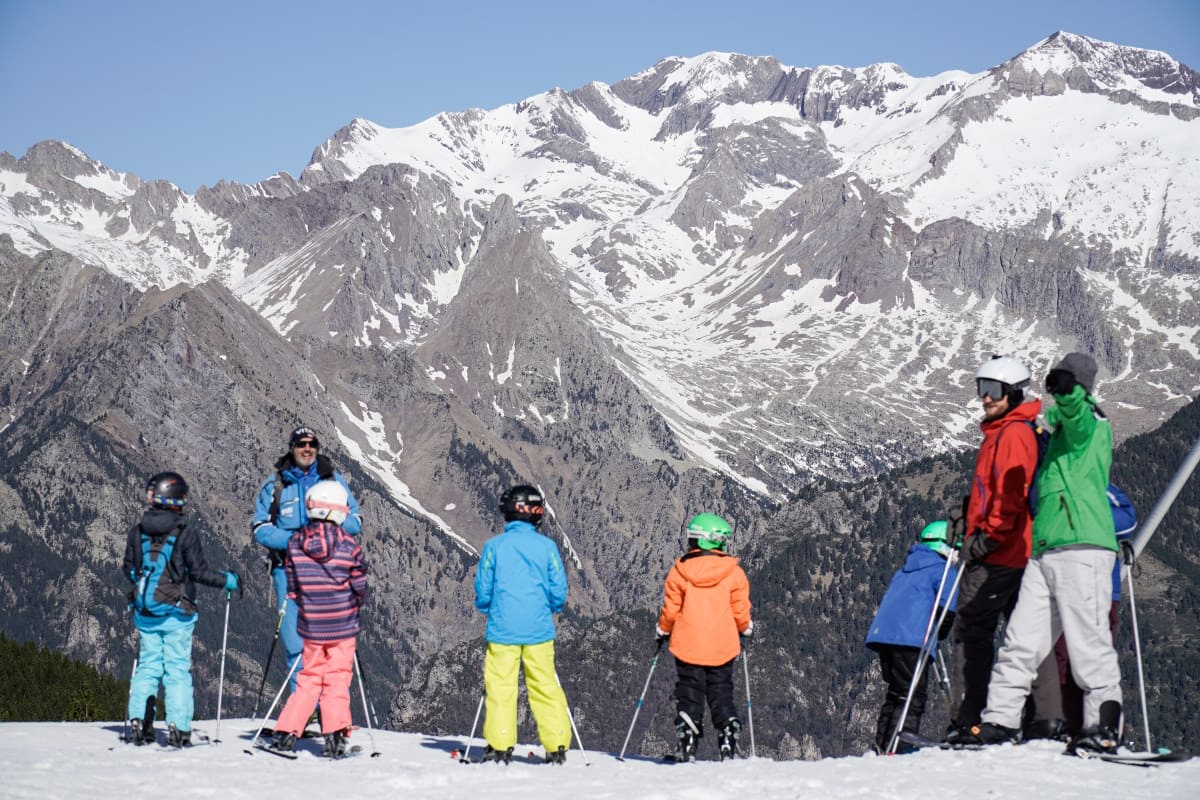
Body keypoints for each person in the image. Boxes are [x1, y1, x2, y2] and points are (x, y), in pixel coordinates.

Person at [970, 353, 1124, 754]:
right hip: (1046, 548)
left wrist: (1068, 390)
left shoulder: (1089, 423)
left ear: (1080, 386)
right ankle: (999, 721)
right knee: (1021, 641)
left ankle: (1103, 727)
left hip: (1083, 546)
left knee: (1088, 643)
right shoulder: (1053, 432)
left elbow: (1073, 414)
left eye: (1067, 383)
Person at [946, 356, 1041, 744]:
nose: (985, 397)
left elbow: (1011, 495)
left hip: (1000, 555)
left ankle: (972, 718)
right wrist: (968, 510)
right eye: (981, 387)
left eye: (994, 390)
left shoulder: (1014, 434)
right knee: (1018, 634)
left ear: (1014, 392)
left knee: (971, 630)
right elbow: (991, 491)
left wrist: (988, 539)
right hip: (1006, 550)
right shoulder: (1000, 431)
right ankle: (1026, 720)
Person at [124, 471, 239, 747]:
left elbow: (128, 569)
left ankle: (139, 723)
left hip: (146, 614)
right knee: (176, 669)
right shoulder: (184, 533)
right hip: (177, 614)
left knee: (148, 667)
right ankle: (179, 727)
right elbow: (199, 572)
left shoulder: (137, 531)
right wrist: (227, 580)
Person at [252, 426, 361, 689]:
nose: (307, 448)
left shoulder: (334, 481)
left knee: (330, 645)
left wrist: (324, 535)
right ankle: (304, 711)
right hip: (287, 572)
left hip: (329, 571)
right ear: (292, 448)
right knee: (295, 644)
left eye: (312, 444)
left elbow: (355, 521)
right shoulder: (276, 484)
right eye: (301, 444)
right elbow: (260, 528)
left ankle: (330, 712)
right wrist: (294, 541)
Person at [474, 484, 572, 764]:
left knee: (501, 686)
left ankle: (500, 743)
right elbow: (558, 590)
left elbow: (484, 589)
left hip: (502, 629)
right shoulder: (547, 547)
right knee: (544, 685)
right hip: (539, 630)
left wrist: (487, 607)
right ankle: (557, 745)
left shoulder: (494, 547)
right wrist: (550, 608)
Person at [269, 480, 368, 757]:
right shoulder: (350, 546)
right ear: (339, 512)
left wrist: (305, 603)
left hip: (310, 626)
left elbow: (292, 585)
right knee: (336, 680)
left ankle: (286, 731)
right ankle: (335, 736)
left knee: (308, 679)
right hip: (343, 626)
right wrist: (355, 602)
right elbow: (359, 583)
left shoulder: (296, 544)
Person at [656, 513, 753, 762]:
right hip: (723, 645)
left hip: (688, 645)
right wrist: (745, 628)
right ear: (718, 542)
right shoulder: (734, 573)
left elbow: (671, 609)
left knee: (690, 690)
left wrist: (663, 629)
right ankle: (728, 733)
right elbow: (740, 610)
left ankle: (687, 741)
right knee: (721, 689)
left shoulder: (679, 572)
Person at [865, 520, 959, 754]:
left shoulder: (907, 568)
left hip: (884, 637)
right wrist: (939, 634)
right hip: (912, 638)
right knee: (912, 696)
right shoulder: (942, 569)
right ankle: (900, 745)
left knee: (896, 692)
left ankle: (883, 743)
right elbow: (948, 608)